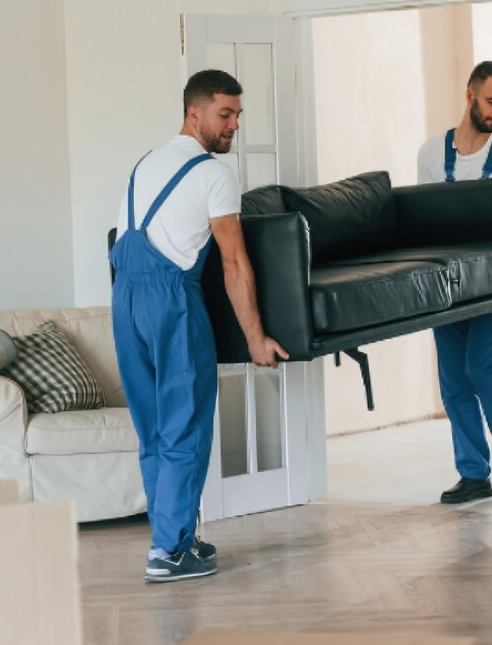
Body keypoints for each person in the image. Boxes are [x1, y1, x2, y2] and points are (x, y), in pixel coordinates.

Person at [110, 69, 288, 582]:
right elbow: (234, 263)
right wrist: (256, 338)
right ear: (195, 112)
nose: (234, 125)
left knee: (154, 429)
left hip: (125, 299)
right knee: (185, 425)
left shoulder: (145, 163)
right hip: (171, 301)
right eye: (224, 114)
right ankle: (168, 551)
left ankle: (176, 536)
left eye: (238, 115)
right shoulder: (215, 174)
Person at [417, 61, 492, 505]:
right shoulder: (431, 152)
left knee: (483, 368)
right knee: (453, 380)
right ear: (470, 95)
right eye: (491, 101)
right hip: (444, 281)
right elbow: (425, 218)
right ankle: (473, 473)